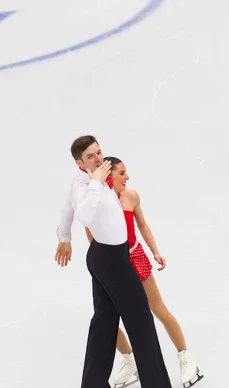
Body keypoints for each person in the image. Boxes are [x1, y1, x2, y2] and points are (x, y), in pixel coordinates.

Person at [55, 135, 172, 388]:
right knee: (141, 321)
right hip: (111, 261)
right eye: (90, 157)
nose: (98, 159)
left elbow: (67, 208)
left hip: (107, 257)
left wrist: (64, 237)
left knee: (105, 322)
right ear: (79, 163)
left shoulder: (95, 176)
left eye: (99, 152)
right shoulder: (85, 184)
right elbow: (83, 213)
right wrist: (96, 182)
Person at [82, 156, 204, 388]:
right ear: (109, 175)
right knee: (108, 318)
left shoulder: (130, 196)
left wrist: (155, 252)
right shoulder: (96, 200)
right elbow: (92, 236)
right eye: (122, 173)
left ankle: (185, 359)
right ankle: (130, 361)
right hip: (113, 264)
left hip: (135, 258)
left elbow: (143, 225)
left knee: (158, 310)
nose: (127, 177)